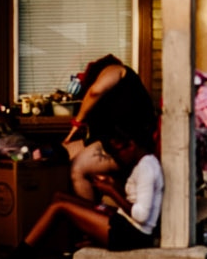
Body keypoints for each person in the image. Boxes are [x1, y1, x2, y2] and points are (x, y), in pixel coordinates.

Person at [0, 132, 162, 259]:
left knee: (60, 207)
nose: (117, 157)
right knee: (60, 197)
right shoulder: (143, 164)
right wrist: (111, 185)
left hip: (130, 234)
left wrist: (111, 191)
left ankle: (21, 257)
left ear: (131, 145)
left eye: (118, 152)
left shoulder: (147, 168)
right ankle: (34, 251)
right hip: (122, 221)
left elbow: (141, 215)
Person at [62, 55, 158, 198]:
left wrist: (77, 122)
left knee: (77, 170)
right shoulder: (118, 97)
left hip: (134, 146)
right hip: (125, 144)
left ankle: (88, 216)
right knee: (72, 159)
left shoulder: (115, 69)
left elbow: (95, 91)